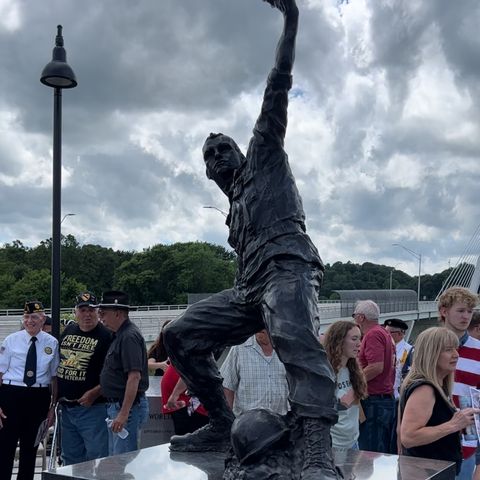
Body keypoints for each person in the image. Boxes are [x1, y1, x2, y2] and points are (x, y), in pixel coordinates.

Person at [163, 1, 339, 478]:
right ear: (205, 171)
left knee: (295, 338)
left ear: (240, 152)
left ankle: (317, 445)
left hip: (287, 267)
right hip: (248, 287)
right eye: (209, 155)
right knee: (180, 334)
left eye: (224, 148)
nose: (218, 156)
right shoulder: (232, 209)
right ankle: (222, 423)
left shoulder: (263, 153)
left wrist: (292, 19)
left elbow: (278, 83)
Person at [399, 327, 479, 476]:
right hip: (427, 472)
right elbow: (408, 437)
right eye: (448, 350)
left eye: (456, 349)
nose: (456, 354)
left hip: (434, 471)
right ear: (431, 353)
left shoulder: (436, 385)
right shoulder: (425, 389)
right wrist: (453, 425)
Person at [0, 300, 59, 480]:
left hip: (38, 397)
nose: (30, 321)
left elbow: (54, 378)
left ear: (42, 319)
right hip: (11, 395)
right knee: (4, 449)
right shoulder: (11, 340)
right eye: (26, 317)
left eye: (34, 317)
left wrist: (52, 407)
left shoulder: (52, 342)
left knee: (30, 450)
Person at [56, 291, 112, 465]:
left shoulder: (107, 336)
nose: (87, 314)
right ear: (76, 312)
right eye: (83, 310)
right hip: (67, 408)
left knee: (98, 458)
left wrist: (95, 393)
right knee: (70, 460)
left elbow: (114, 373)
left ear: (98, 312)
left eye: (91, 310)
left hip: (93, 409)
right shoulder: (69, 330)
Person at [97, 291, 149, 455]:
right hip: (118, 406)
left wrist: (123, 413)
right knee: (116, 460)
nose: (101, 317)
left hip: (126, 407)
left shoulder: (128, 337)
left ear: (117, 313)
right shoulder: (120, 335)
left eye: (104, 313)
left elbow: (134, 377)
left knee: (122, 462)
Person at [438, 286, 480, 480]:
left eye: (470, 311)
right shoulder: (426, 347)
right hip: (430, 440)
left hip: (466, 443)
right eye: (461, 310)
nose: (466, 317)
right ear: (444, 311)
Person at [353, 299, 396, 453]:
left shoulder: (372, 335)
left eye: (354, 316)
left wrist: (354, 383)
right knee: (380, 450)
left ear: (361, 318)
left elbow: (376, 367)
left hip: (375, 401)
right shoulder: (384, 332)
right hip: (382, 400)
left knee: (370, 452)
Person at [220, 329, 289, 416]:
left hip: (280, 423)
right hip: (246, 424)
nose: (260, 326)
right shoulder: (239, 348)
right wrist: (228, 422)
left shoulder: (287, 349)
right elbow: (227, 387)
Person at [323, 320, 367, 451]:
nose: (359, 344)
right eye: (354, 339)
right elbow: (317, 411)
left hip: (352, 442)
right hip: (332, 444)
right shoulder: (325, 372)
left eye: (360, 338)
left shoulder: (353, 370)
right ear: (339, 341)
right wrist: (341, 404)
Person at [162, 364, 209, 435]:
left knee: (188, 439)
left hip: (188, 402)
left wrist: (175, 394)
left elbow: (190, 369)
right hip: (183, 401)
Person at [384, 318, 412, 399]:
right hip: (384, 394)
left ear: (400, 334)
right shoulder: (383, 349)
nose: (386, 335)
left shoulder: (409, 351)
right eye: (385, 332)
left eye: (389, 333)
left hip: (399, 397)